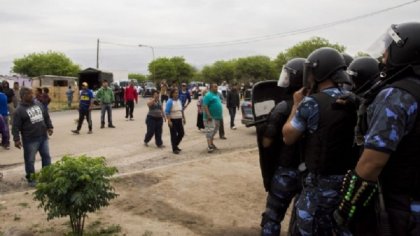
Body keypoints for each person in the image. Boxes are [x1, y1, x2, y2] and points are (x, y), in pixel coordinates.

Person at [334, 22, 420, 236]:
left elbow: (372, 163)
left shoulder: (396, 95)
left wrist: (346, 209)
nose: (383, 54)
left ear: (403, 48)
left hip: (399, 208)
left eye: (388, 47)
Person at [282, 47, 358, 235]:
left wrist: (296, 104)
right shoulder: (353, 99)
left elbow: (288, 137)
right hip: (347, 186)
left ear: (318, 72)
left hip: (319, 188)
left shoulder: (312, 102)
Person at [260, 58, 306, 235]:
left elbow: (267, 142)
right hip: (308, 173)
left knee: (272, 217)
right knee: (300, 220)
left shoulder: (282, 107)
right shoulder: (315, 104)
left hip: (286, 171)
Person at [12, 87, 53, 187]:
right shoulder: (19, 110)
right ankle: (31, 180)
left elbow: (46, 115)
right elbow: (15, 126)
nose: (32, 95)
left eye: (32, 93)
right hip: (30, 139)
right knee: (30, 160)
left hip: (43, 137)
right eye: (29, 94)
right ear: (22, 96)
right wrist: (16, 139)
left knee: (46, 157)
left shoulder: (38, 104)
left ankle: (47, 177)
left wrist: (50, 126)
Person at [203, 83, 223, 153]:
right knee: (210, 131)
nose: (217, 88)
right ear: (211, 88)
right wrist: (208, 115)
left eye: (217, 86)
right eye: (215, 87)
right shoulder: (208, 95)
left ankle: (211, 143)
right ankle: (209, 146)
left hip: (217, 117)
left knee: (215, 130)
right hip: (210, 117)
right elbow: (205, 105)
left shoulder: (216, 95)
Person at [165, 89, 185, 154]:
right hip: (173, 120)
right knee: (173, 135)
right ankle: (174, 149)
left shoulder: (179, 101)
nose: (177, 94)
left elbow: (181, 110)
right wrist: (169, 121)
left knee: (181, 133)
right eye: (175, 93)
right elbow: (167, 112)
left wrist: (184, 118)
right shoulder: (170, 101)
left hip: (179, 119)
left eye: (177, 93)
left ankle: (175, 145)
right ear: (172, 94)